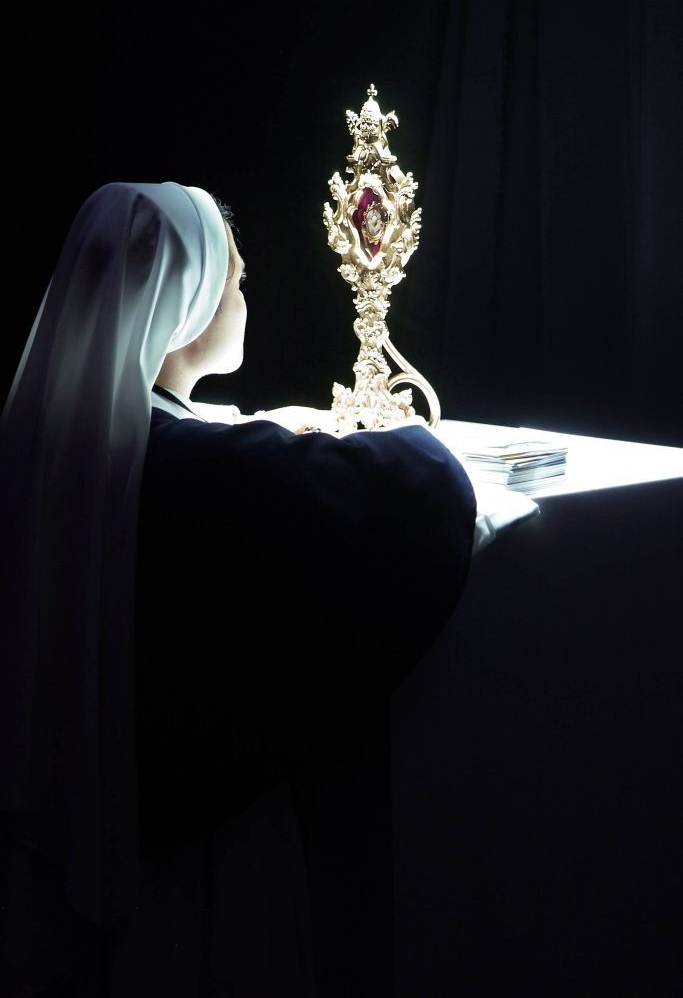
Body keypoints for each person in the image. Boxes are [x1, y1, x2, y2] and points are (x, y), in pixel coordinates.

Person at [0, 181, 476, 996]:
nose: (248, 299)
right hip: (189, 859)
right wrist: (402, 435)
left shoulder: (50, 435)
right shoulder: (193, 468)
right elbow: (414, 495)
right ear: (185, 305)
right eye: (238, 281)